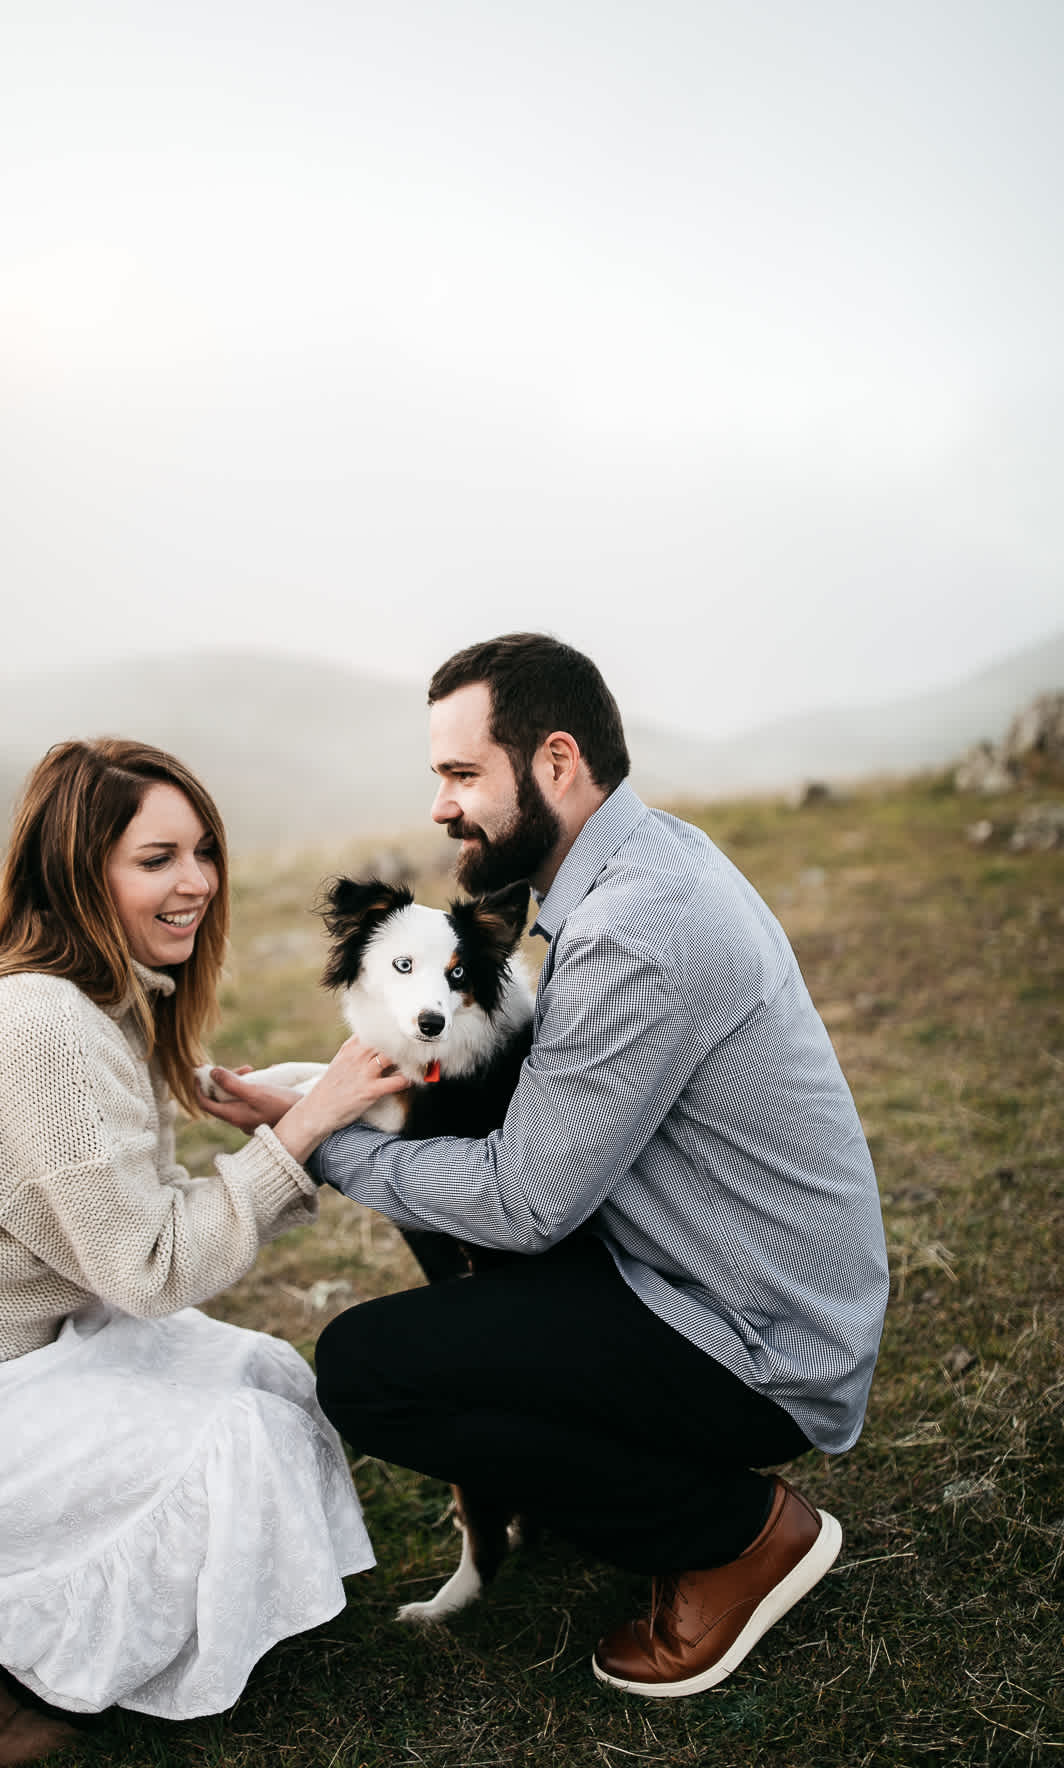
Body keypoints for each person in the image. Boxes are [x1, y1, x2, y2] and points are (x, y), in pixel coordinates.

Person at [200, 633, 890, 1701]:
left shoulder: (635, 927)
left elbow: (520, 1202)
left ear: (557, 763)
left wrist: (323, 1145)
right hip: (711, 1275)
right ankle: (591, 1488)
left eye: (462, 774)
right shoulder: (640, 863)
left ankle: (737, 1535)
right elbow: (517, 1118)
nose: (441, 806)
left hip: (756, 1336)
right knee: (468, 1327)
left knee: (369, 1371)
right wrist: (310, 1099)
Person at [0, 737, 406, 1765]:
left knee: (265, 1380)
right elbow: (148, 1268)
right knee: (234, 1443)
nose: (196, 881)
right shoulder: (39, 1021)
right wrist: (304, 1128)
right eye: (155, 859)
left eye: (202, 850)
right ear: (78, 869)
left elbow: (101, 1180)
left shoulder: (94, 993)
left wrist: (264, 1112)